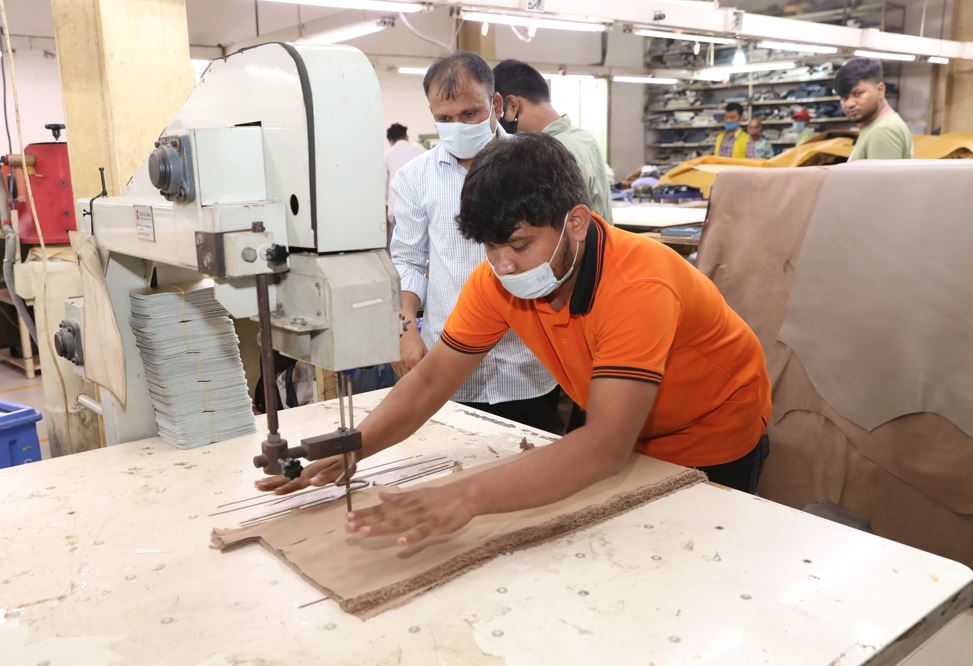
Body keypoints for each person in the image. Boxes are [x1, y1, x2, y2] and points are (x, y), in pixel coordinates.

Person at [257, 133, 773, 546]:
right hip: (625, 429)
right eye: (490, 247)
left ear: (576, 222)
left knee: (690, 562)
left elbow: (603, 447)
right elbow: (433, 380)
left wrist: (465, 497)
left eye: (520, 245)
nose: (503, 265)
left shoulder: (638, 285)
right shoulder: (499, 281)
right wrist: (357, 446)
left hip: (710, 429)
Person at [386, 52, 561, 433]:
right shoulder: (416, 178)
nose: (458, 127)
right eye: (445, 119)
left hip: (527, 362)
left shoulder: (535, 166)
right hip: (448, 363)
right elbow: (408, 261)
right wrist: (406, 328)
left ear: (495, 104)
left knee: (531, 458)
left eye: (470, 114)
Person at [492, 59, 613, 224]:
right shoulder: (584, 139)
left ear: (512, 105)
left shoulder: (546, 154)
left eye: (497, 112)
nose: (497, 124)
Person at [835, 58, 913, 161]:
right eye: (844, 98)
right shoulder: (877, 126)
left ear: (880, 90)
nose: (850, 104)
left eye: (858, 94)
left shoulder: (883, 131)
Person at [384, 123, 424, 243]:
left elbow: (383, 185)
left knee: (398, 248)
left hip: (397, 209)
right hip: (421, 208)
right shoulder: (421, 151)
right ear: (406, 137)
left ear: (390, 140)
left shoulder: (387, 154)